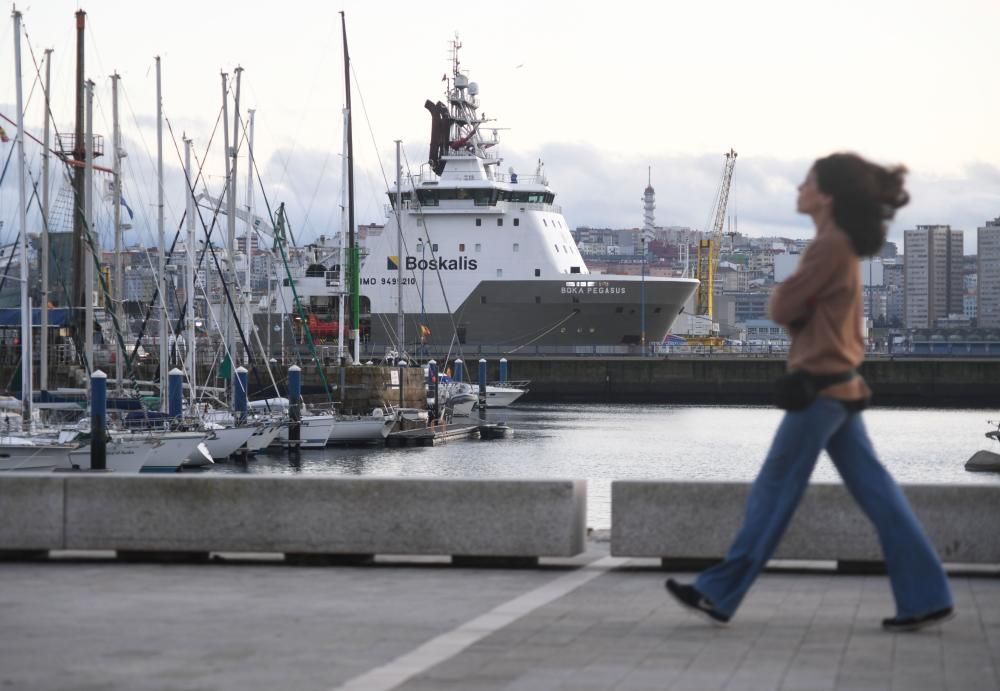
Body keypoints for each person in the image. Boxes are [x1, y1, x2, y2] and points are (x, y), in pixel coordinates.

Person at [665, 153, 954, 633]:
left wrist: (793, 302)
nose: (799, 187)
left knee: (773, 494)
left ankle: (719, 591)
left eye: (808, 181)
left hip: (820, 390)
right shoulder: (839, 247)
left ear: (826, 196)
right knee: (879, 496)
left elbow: (782, 304)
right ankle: (927, 595)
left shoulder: (828, 248)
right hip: (840, 386)